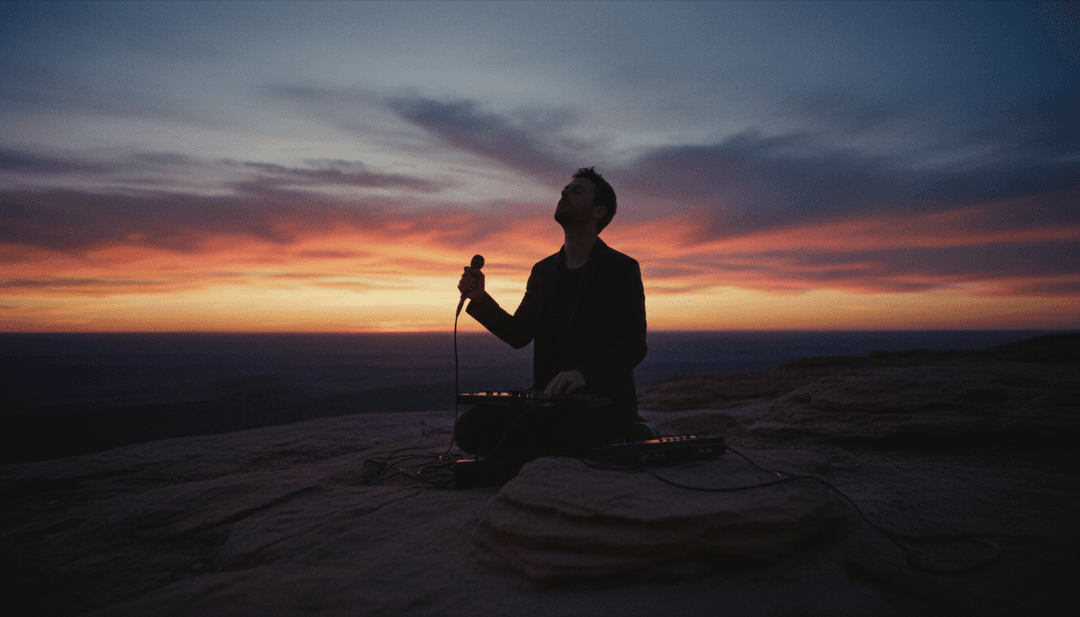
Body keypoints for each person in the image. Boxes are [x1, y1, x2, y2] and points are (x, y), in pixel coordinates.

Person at [454, 167, 647, 464]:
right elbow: (519, 334)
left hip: (603, 401)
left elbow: (633, 345)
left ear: (598, 212)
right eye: (565, 190)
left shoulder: (622, 268)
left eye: (577, 191)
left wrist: (583, 374)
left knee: (570, 434)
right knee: (468, 428)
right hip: (547, 401)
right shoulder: (543, 271)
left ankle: (617, 432)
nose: (564, 193)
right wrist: (479, 298)